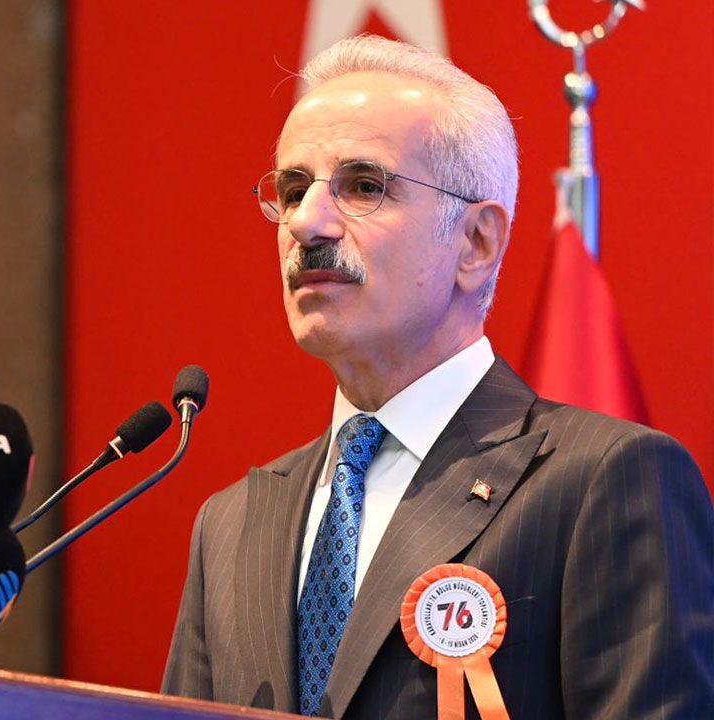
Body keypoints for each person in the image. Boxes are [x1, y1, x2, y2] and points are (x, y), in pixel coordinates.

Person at [161, 35, 713, 719]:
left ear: (476, 242)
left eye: (364, 186)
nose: (306, 223)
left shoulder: (604, 481)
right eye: (293, 190)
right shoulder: (230, 525)